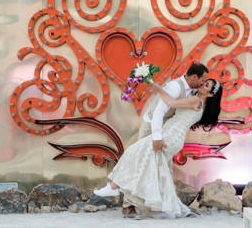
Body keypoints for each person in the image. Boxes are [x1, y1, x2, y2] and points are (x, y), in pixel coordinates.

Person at [93, 75, 223, 219]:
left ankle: (113, 187)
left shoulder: (196, 100)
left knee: (134, 152)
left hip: (170, 136)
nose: (202, 84)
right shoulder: (199, 102)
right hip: (173, 136)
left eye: (206, 85)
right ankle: (162, 206)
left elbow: (172, 102)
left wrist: (157, 89)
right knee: (156, 171)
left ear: (210, 94)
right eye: (204, 82)